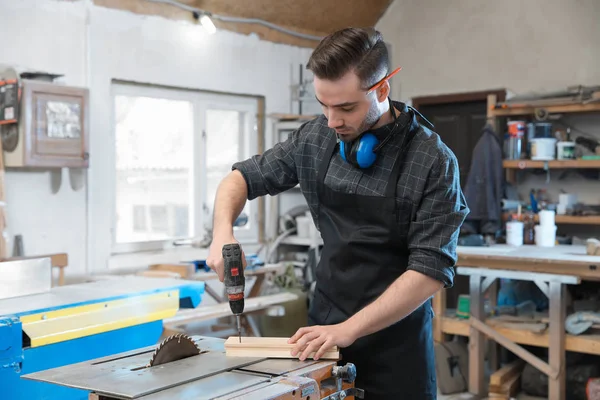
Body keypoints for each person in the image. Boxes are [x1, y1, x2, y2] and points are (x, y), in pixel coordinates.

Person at [206, 27, 469, 400]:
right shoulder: (315, 139)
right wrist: (222, 233)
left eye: (346, 108)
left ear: (382, 89)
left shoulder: (432, 161)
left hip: (397, 350)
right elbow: (239, 180)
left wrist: (350, 329)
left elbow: (431, 270)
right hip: (323, 336)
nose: (331, 121)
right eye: (323, 105)